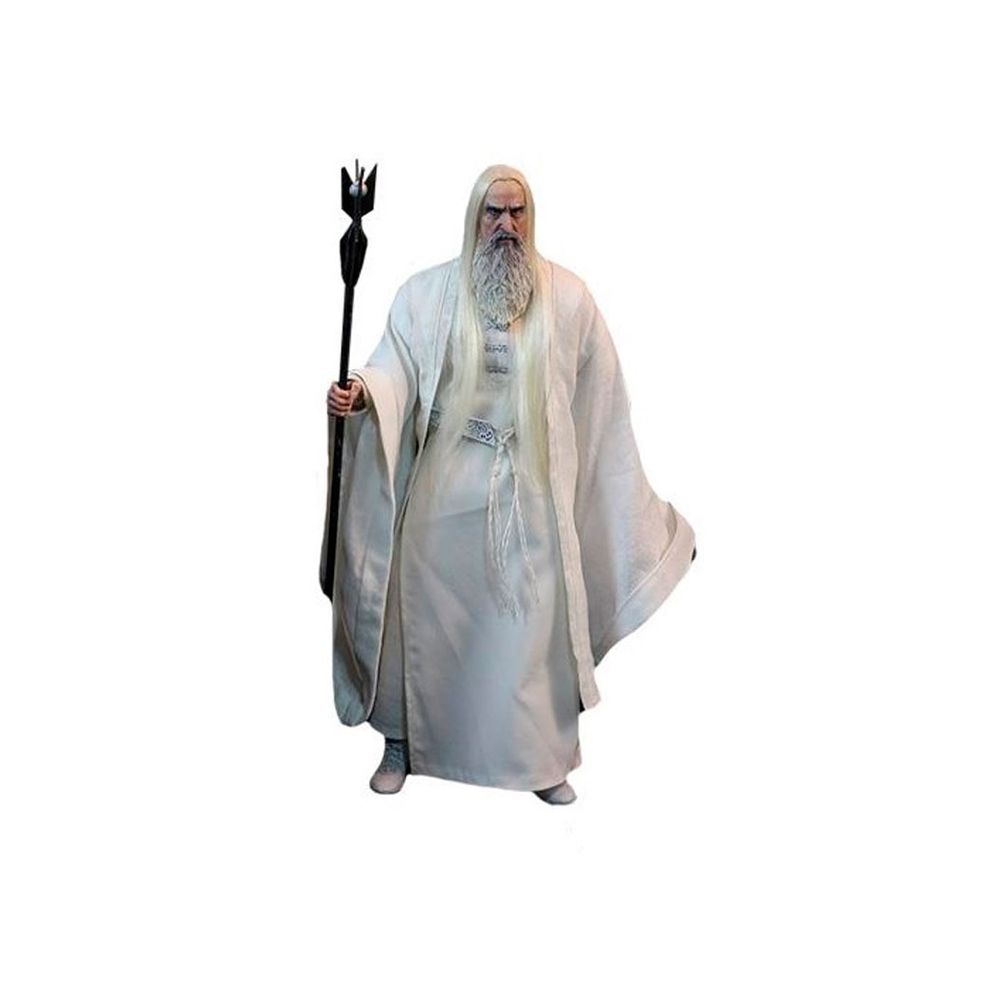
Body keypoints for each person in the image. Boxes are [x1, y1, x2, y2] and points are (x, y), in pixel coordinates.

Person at [322, 164, 695, 804]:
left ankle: (539, 758)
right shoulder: (426, 294)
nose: (505, 226)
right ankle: (402, 741)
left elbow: (602, 402)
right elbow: (396, 368)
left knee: (531, 633)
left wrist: (639, 521)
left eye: (516, 213)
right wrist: (363, 394)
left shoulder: (568, 298)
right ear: (474, 219)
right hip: (443, 496)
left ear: (531, 217)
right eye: (493, 213)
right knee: (419, 617)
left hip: (527, 498)